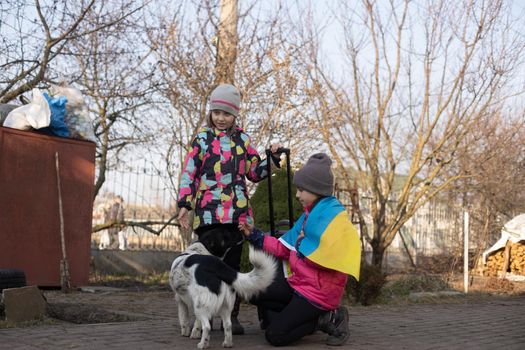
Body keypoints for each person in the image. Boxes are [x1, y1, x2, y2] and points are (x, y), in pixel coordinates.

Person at [177, 83, 282, 335]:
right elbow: (189, 172)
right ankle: (206, 316)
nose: (221, 118)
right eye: (216, 112)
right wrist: (184, 204)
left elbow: (254, 172)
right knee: (205, 267)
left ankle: (230, 317)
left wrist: (272, 158)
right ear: (210, 113)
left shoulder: (243, 140)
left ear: (235, 115)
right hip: (208, 214)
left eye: (226, 114)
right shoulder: (202, 139)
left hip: (236, 214)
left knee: (232, 269)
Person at [239, 153, 361, 347]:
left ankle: (328, 318)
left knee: (275, 335)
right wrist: (255, 235)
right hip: (299, 284)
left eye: (302, 190)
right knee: (252, 290)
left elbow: (321, 258)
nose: (297, 195)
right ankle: (294, 317)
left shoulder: (334, 218)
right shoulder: (309, 215)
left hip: (317, 294)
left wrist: (300, 246)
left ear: (316, 190)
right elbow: (283, 247)